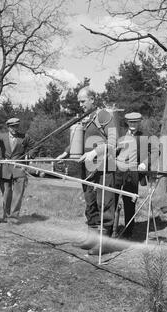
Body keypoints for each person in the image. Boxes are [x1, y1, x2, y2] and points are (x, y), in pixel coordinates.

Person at [56, 86, 118, 255]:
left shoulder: (105, 115)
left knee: (104, 203)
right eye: (79, 102)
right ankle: (91, 238)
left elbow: (113, 143)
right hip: (87, 168)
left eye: (83, 101)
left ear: (92, 99)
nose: (81, 105)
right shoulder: (85, 118)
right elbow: (80, 140)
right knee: (90, 203)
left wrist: (94, 152)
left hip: (104, 167)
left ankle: (104, 243)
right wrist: (65, 152)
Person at [0, 118, 39, 224]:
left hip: (19, 168)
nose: (15, 129)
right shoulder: (1, 137)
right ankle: (6, 215)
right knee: (6, 193)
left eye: (16, 126)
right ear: (8, 127)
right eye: (12, 126)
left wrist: (29, 156)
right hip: (4, 168)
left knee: (18, 193)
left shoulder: (25, 137)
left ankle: (13, 217)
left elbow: (35, 146)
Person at [115, 112, 148, 239]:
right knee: (112, 199)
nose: (133, 124)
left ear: (139, 122)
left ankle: (128, 231)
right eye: (131, 122)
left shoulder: (144, 136)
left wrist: (145, 163)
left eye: (136, 122)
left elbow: (154, 152)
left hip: (133, 172)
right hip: (117, 170)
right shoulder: (120, 134)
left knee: (130, 202)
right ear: (127, 123)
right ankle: (112, 228)